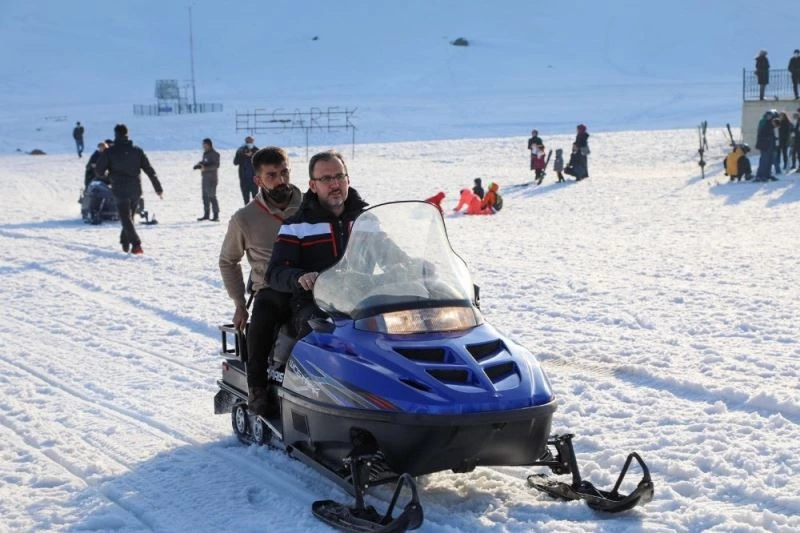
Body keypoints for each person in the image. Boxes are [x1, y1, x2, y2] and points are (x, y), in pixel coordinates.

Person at [219, 147, 303, 417]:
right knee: (262, 324)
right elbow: (228, 260)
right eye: (272, 175)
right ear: (258, 180)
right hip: (271, 287)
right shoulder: (245, 218)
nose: (281, 180)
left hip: (314, 283)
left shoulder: (310, 206)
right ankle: (257, 388)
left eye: (284, 172)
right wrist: (239, 304)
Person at [266, 150, 369, 340]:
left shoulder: (366, 221)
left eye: (339, 176)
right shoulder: (296, 225)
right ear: (313, 186)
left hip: (363, 300)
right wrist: (300, 277)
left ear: (348, 179)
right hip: (315, 304)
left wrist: (411, 266)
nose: (335, 184)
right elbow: (274, 273)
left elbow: (388, 254)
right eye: (326, 179)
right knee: (323, 334)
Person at [94, 124, 163, 254]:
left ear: (115, 134)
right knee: (128, 216)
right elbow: (149, 170)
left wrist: (108, 177)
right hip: (135, 189)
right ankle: (125, 242)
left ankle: (136, 244)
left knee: (125, 217)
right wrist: (158, 188)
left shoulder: (110, 152)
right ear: (127, 134)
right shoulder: (137, 150)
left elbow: (99, 171)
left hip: (119, 189)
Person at [193, 138, 221, 221]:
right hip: (205, 178)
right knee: (205, 196)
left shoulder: (215, 154)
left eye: (204, 144)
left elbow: (216, 165)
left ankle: (216, 215)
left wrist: (205, 168)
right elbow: (205, 162)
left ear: (209, 144)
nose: (203, 146)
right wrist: (199, 165)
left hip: (212, 179)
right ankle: (206, 214)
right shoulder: (205, 154)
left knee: (212, 196)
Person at [233, 136, 259, 205]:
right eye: (247, 142)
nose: (249, 143)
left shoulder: (257, 150)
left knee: (256, 200)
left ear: (253, 142)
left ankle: (256, 214)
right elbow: (235, 162)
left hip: (254, 180)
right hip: (244, 179)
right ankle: (247, 215)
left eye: (251, 142)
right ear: (245, 142)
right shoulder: (241, 150)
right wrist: (241, 154)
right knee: (246, 200)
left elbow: (261, 163)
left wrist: (252, 155)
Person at [755, 111, 778, 181]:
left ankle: (767, 174)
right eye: (769, 115)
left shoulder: (770, 123)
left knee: (770, 160)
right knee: (764, 160)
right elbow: (761, 134)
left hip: (770, 144)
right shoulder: (763, 122)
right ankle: (760, 175)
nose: (770, 117)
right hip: (764, 145)